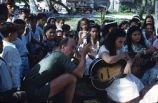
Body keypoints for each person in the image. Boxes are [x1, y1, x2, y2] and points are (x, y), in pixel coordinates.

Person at [22, 37, 90, 103]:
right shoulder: (60, 56)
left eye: (75, 48)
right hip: (34, 93)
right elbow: (80, 73)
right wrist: (84, 54)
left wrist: (78, 57)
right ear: (63, 47)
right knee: (71, 78)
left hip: (28, 91)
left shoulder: (55, 54)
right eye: (72, 48)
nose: (74, 51)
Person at [97, 28, 144, 103]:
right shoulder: (104, 48)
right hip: (107, 79)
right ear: (113, 40)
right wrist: (121, 56)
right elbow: (108, 60)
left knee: (138, 84)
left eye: (123, 42)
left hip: (118, 74)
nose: (122, 44)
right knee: (131, 88)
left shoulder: (120, 48)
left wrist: (129, 63)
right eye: (120, 42)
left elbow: (128, 59)